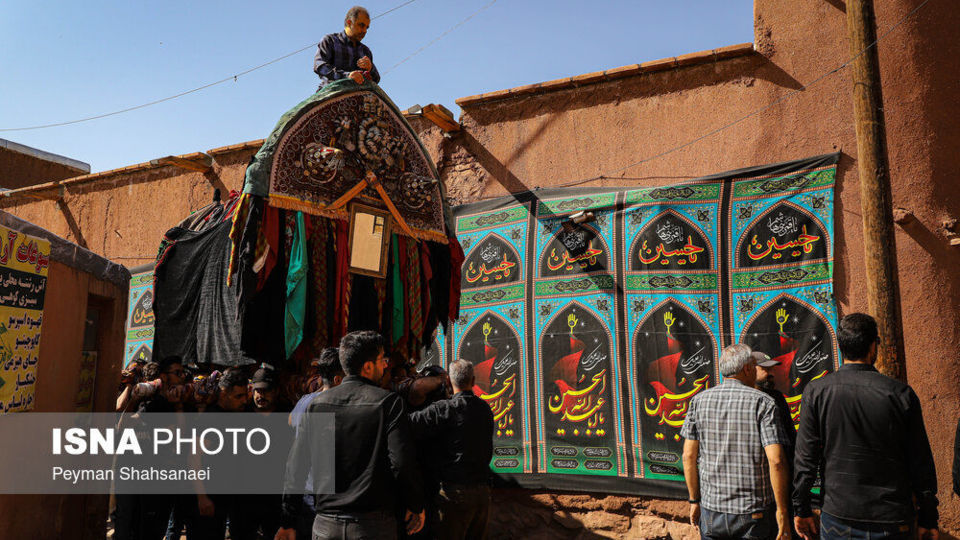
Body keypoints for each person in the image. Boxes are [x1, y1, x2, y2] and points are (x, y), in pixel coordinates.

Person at [793, 313, 939, 540]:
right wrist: (928, 517)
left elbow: (806, 460)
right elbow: (920, 463)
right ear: (873, 346)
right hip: (891, 520)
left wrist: (800, 508)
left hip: (838, 518)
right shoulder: (899, 394)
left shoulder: (817, 392)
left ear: (841, 347)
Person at [277, 331, 424, 540]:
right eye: (382, 360)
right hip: (372, 527)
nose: (385, 366)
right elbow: (401, 462)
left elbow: (296, 466)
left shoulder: (317, 405)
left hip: (326, 525)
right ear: (368, 366)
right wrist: (415, 504)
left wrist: (287, 521)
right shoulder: (388, 403)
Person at [681, 343, 790, 540]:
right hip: (752, 514)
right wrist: (782, 511)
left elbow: (688, 456)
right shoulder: (763, 403)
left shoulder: (698, 401)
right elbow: (776, 460)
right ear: (747, 368)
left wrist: (694, 500)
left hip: (711, 511)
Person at [408, 360, 494, 540]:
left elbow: (408, 423)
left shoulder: (445, 409)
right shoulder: (485, 409)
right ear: (474, 380)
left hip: (454, 495)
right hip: (482, 494)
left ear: (448, 382)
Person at [314, 6, 380, 89]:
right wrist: (346, 76)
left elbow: (376, 79)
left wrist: (370, 68)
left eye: (367, 27)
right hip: (331, 93)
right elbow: (320, 66)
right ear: (349, 23)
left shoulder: (365, 51)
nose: (364, 31)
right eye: (361, 25)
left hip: (359, 96)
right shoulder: (330, 41)